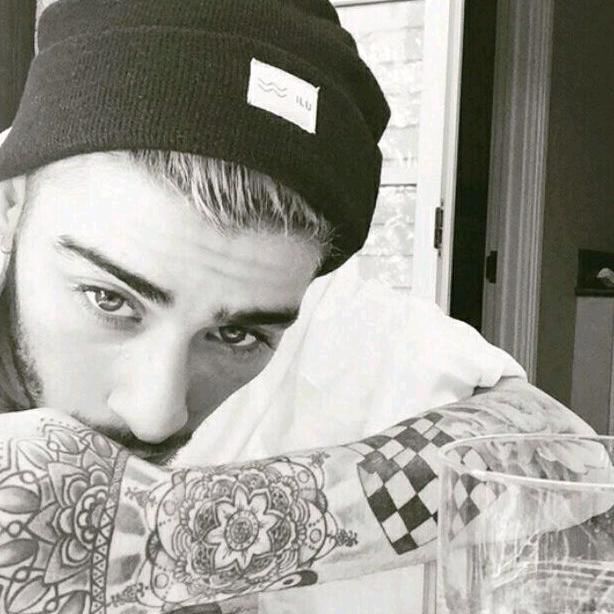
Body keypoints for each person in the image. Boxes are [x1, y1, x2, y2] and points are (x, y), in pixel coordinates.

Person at [0, 1, 593, 613]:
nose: (156, 416)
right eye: (109, 299)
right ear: (11, 205)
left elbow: (562, 452)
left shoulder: (307, 301)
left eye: (236, 337)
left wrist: (169, 532)